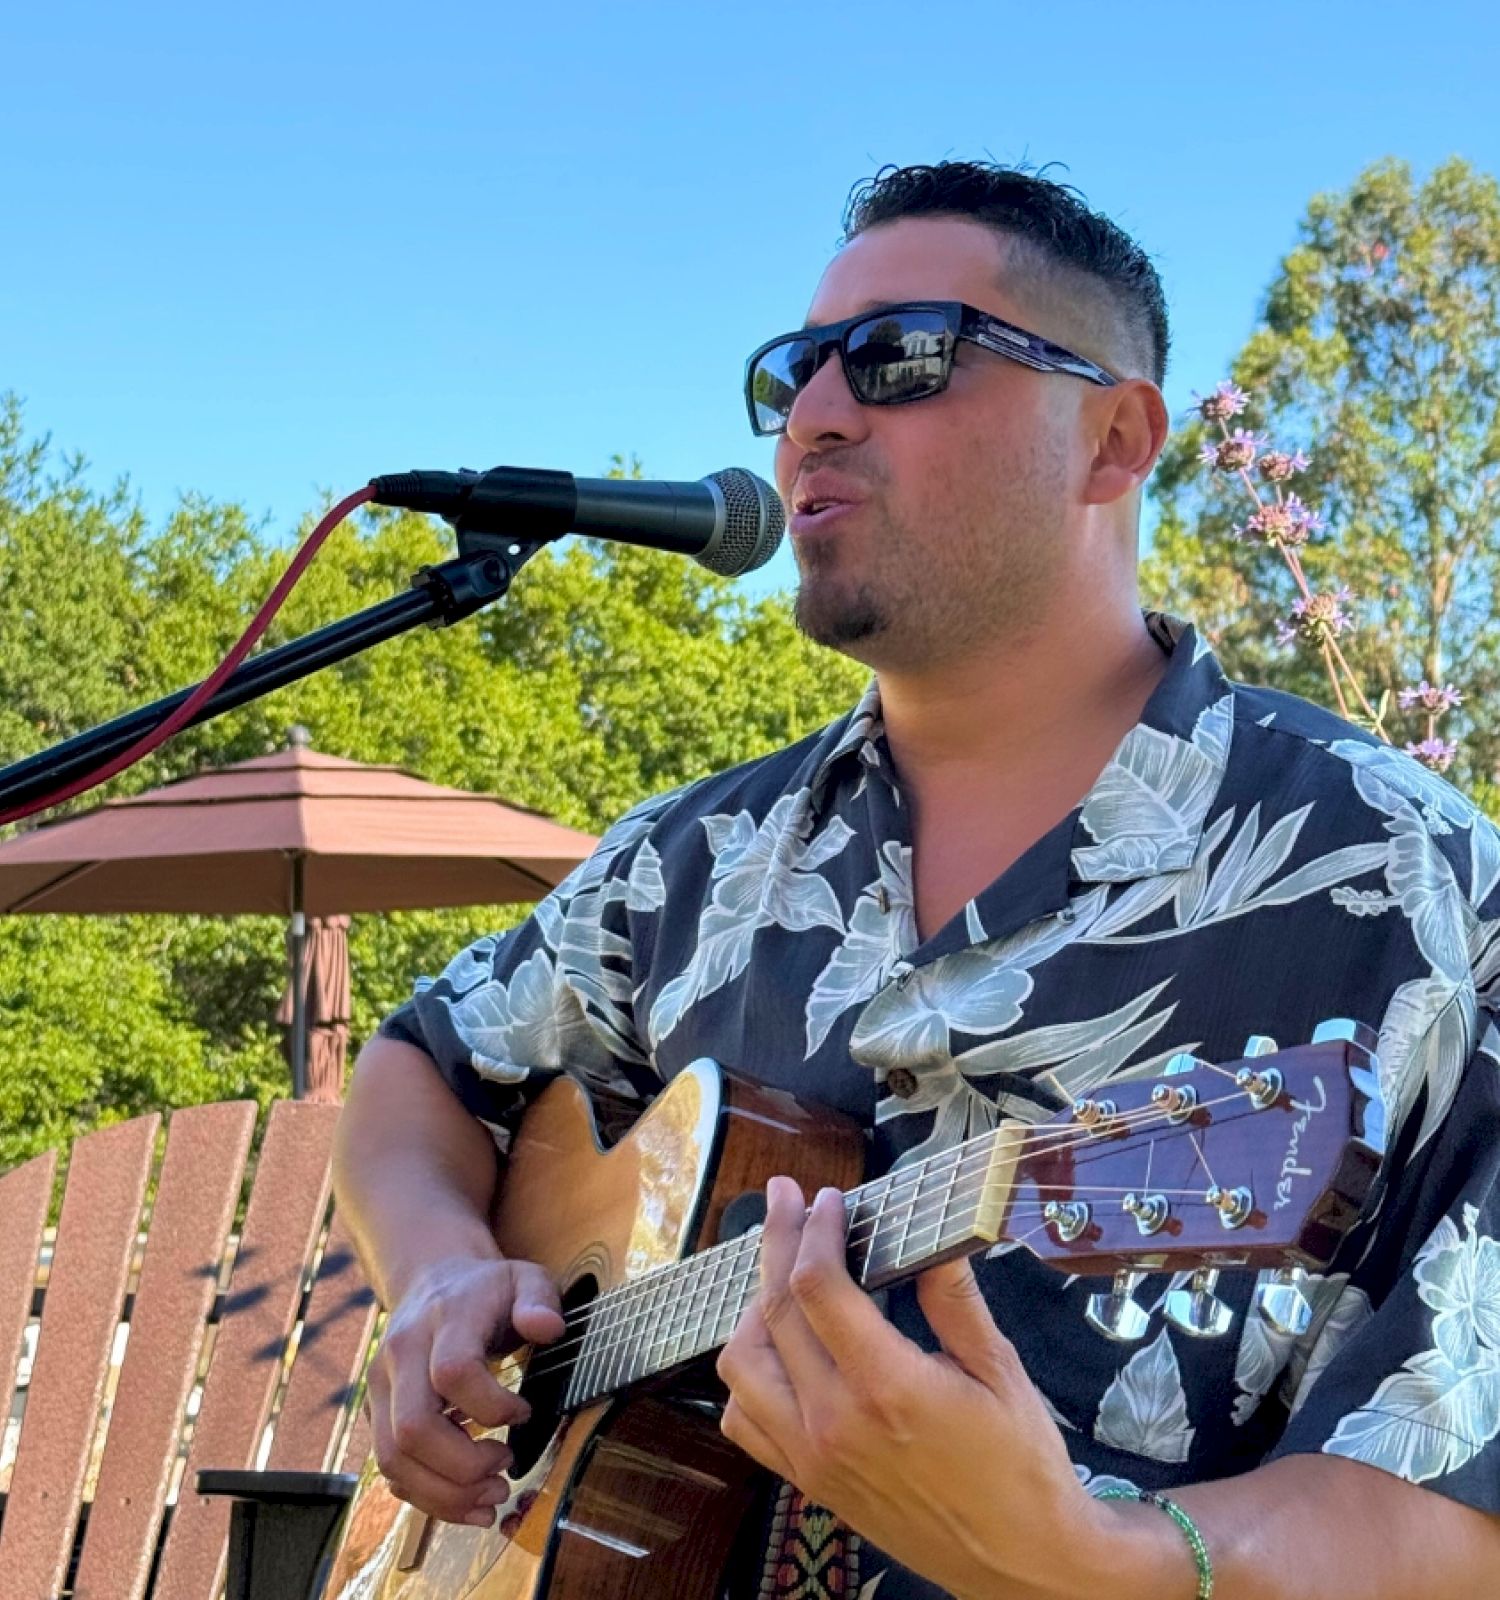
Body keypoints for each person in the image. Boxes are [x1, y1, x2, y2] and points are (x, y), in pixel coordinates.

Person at [333, 162, 1500, 1598]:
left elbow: (1463, 1496)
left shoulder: (1407, 883)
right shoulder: (691, 862)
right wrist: (443, 1273)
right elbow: (420, 1065)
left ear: (1115, 440)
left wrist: (1105, 1562)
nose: (816, 414)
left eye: (900, 358)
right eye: (792, 372)